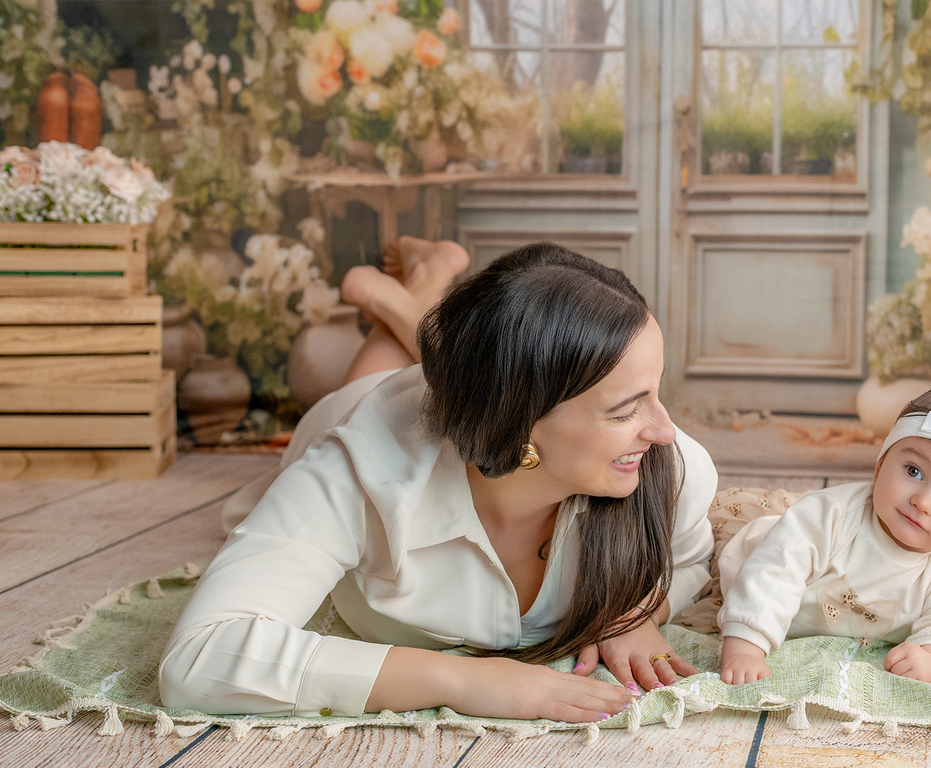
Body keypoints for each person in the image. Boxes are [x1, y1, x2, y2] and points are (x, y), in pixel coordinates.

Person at [161, 242, 718, 724]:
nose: (665, 429)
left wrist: (638, 610)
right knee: (373, 386)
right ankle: (406, 293)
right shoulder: (355, 471)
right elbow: (200, 656)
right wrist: (460, 681)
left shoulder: (668, 469)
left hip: (458, 399)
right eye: (625, 410)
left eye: (656, 388)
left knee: (452, 365)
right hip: (359, 411)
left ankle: (413, 290)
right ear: (520, 422)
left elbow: (692, 560)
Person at [717, 379, 931, 686]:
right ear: (880, 466)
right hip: (753, 581)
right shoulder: (829, 517)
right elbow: (774, 572)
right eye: (914, 471)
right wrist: (745, 650)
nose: (923, 502)